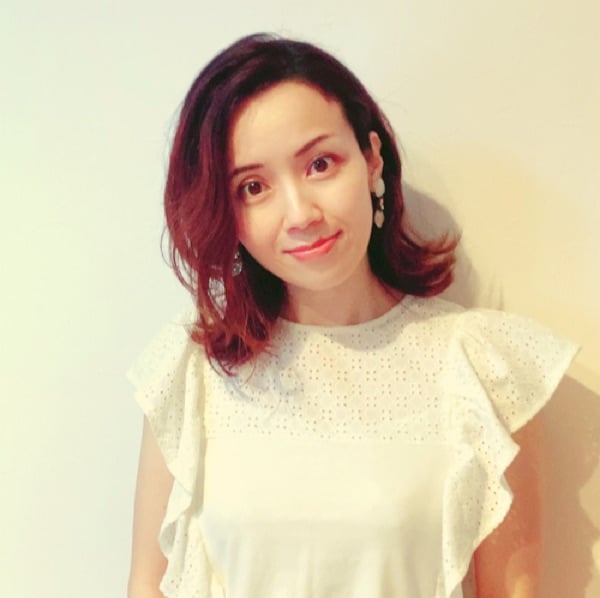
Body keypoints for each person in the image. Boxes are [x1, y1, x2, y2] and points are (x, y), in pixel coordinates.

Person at [127, 33, 578, 598]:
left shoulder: (483, 369)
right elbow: (147, 586)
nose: (300, 214)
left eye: (320, 163)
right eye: (253, 187)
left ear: (370, 159)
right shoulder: (191, 370)